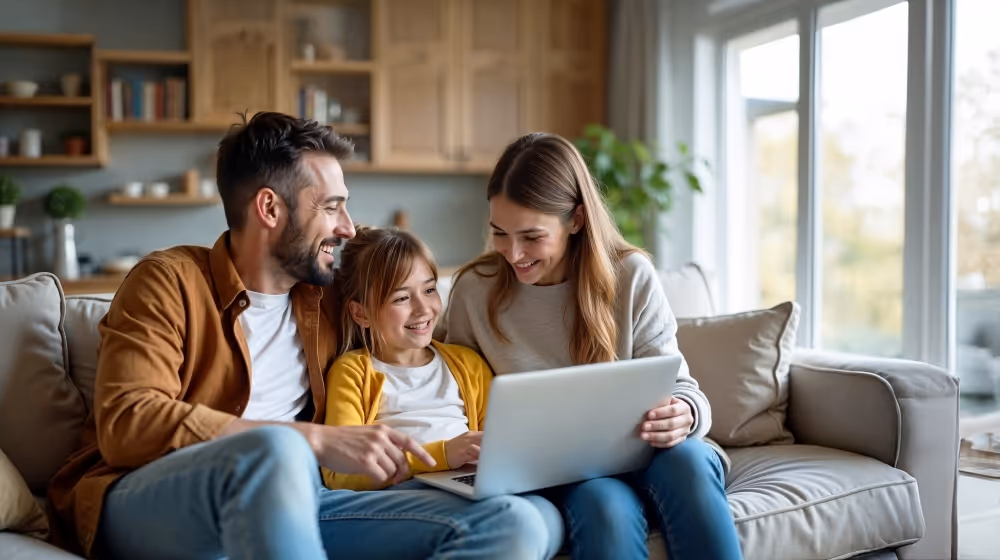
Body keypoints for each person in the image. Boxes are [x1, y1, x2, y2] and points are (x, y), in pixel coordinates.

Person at [46, 112, 551, 560]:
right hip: (154, 499)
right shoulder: (169, 281)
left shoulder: (326, 290)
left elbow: (401, 279)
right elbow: (128, 423)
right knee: (277, 450)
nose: (349, 227)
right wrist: (308, 438)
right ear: (269, 209)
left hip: (301, 497)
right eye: (332, 207)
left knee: (513, 522)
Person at [444, 132, 744, 560]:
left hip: (651, 458)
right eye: (500, 233)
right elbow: (456, 401)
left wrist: (686, 413)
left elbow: (683, 388)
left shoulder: (630, 276)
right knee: (604, 505)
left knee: (690, 462)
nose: (513, 253)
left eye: (532, 236)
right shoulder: (475, 291)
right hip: (567, 476)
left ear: (577, 219)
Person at [321, 225, 564, 557]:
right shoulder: (353, 372)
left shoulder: (467, 364)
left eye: (430, 290)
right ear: (361, 312)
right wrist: (443, 454)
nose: (423, 309)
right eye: (402, 298)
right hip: (403, 494)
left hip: (468, 489)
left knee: (548, 517)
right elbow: (339, 474)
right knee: (520, 523)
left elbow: (497, 445)